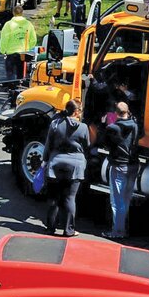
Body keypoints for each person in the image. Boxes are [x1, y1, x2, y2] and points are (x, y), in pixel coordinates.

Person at [44, 100, 90, 236]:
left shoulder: (55, 124)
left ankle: (50, 228)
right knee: (69, 198)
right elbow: (86, 145)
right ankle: (68, 230)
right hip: (75, 166)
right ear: (76, 112)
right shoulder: (83, 127)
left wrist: (44, 161)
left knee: (53, 198)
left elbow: (48, 145)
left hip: (55, 164)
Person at [104, 101, 141, 239]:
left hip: (119, 166)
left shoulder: (112, 128)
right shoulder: (135, 126)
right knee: (126, 199)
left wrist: (106, 123)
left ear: (115, 113)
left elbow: (106, 143)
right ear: (128, 111)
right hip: (133, 165)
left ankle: (118, 231)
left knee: (116, 201)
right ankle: (123, 227)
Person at [0, 5, 37, 85]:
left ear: (13, 13)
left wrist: (3, 50)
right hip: (23, 53)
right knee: (21, 73)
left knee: (10, 73)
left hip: (11, 53)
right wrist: (28, 48)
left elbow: (4, 38)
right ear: (22, 13)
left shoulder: (8, 24)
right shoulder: (28, 24)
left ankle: (11, 89)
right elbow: (33, 39)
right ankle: (19, 89)